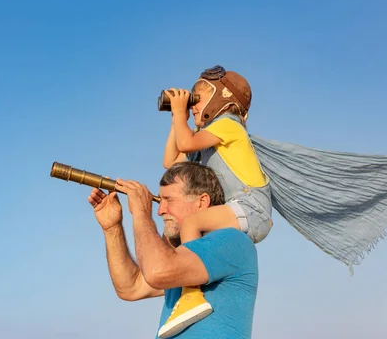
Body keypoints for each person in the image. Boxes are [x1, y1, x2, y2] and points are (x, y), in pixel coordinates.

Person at [158, 65, 272, 337]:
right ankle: (192, 288)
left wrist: (178, 113)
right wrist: (180, 117)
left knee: (193, 222)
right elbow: (171, 163)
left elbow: (186, 144)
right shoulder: (208, 143)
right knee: (192, 223)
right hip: (233, 209)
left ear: (221, 98)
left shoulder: (229, 126)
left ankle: (191, 293)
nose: (194, 106)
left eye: (197, 99)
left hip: (250, 207)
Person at [88, 161, 259, 339]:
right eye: (160, 201)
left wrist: (141, 211)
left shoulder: (231, 240)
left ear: (202, 202)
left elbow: (157, 272)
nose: (160, 211)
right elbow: (130, 287)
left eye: (169, 200)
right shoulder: (179, 256)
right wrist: (112, 228)